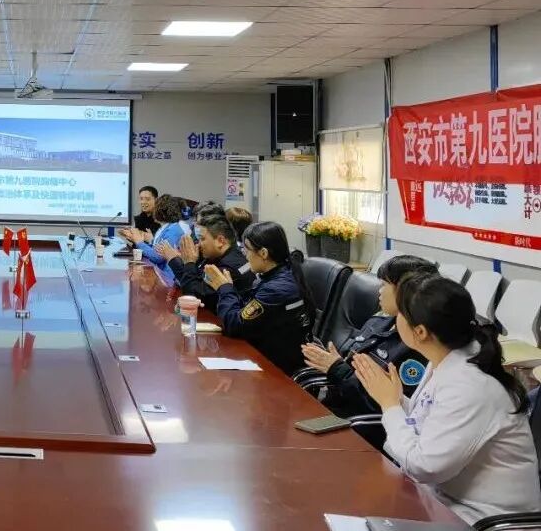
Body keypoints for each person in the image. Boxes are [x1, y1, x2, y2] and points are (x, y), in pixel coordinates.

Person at [354, 274, 541, 524]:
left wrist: (390, 406)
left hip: (481, 520)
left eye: (400, 314)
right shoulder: (448, 361)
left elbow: (425, 466)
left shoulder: (471, 385)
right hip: (440, 502)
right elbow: (432, 421)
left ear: (420, 332)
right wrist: (395, 399)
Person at [300, 255, 437, 420]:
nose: (379, 290)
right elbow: (352, 363)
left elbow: (384, 407)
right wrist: (334, 362)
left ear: (405, 292)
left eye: (384, 285)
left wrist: (338, 370)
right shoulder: (381, 319)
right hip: (332, 405)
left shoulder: (418, 347)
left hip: (356, 423)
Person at [204, 221, 315, 374]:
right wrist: (228, 289)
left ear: (263, 253)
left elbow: (234, 325)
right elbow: (244, 310)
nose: (245, 255)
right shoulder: (279, 273)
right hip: (265, 350)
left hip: (275, 367)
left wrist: (224, 288)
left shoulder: (276, 289)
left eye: (247, 250)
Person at [154, 213, 255, 310]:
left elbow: (194, 297)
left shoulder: (230, 267)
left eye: (202, 239)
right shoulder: (219, 255)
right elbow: (194, 281)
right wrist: (185, 260)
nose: (199, 244)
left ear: (220, 241)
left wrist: (186, 262)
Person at [118, 194, 190, 283]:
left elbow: (158, 257)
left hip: (169, 279)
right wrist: (137, 239)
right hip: (162, 275)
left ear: (161, 212)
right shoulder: (167, 227)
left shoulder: (174, 230)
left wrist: (139, 242)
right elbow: (156, 250)